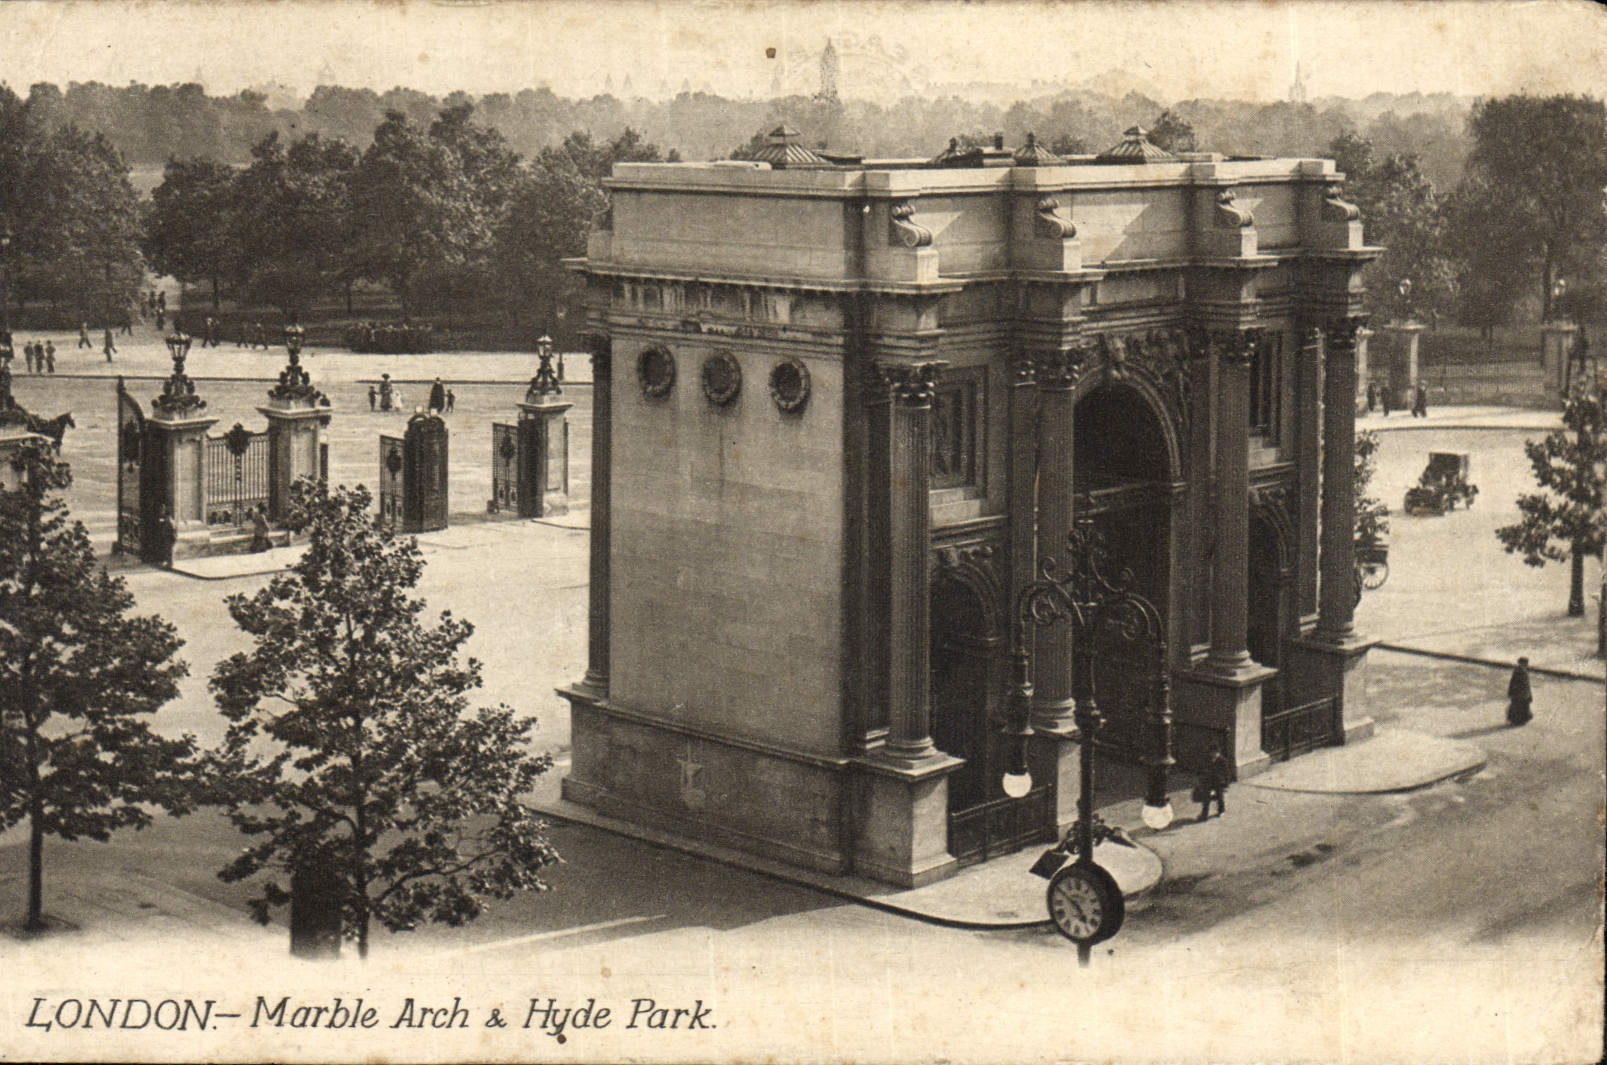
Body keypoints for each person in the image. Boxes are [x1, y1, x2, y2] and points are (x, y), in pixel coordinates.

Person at [1194, 746, 1231, 821]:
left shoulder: (1223, 761)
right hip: (1208, 781)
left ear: (1218, 753)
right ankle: (1204, 815)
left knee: (1220, 797)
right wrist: (1199, 780)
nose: (1214, 754)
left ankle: (1221, 810)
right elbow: (1200, 770)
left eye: (1216, 753)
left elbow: (1227, 773)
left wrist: (1226, 783)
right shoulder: (1206, 760)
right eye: (1212, 753)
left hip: (1218, 781)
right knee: (1206, 798)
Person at [1507, 658, 1533, 727]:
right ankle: (1517, 721)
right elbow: (1513, 683)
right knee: (1519, 707)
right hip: (1518, 693)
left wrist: (1529, 694)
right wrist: (1512, 692)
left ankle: (1520, 720)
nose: (1526, 665)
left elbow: (1527, 684)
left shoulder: (1524, 671)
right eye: (1524, 663)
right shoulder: (1518, 672)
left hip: (1523, 693)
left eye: (1526, 663)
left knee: (1522, 706)